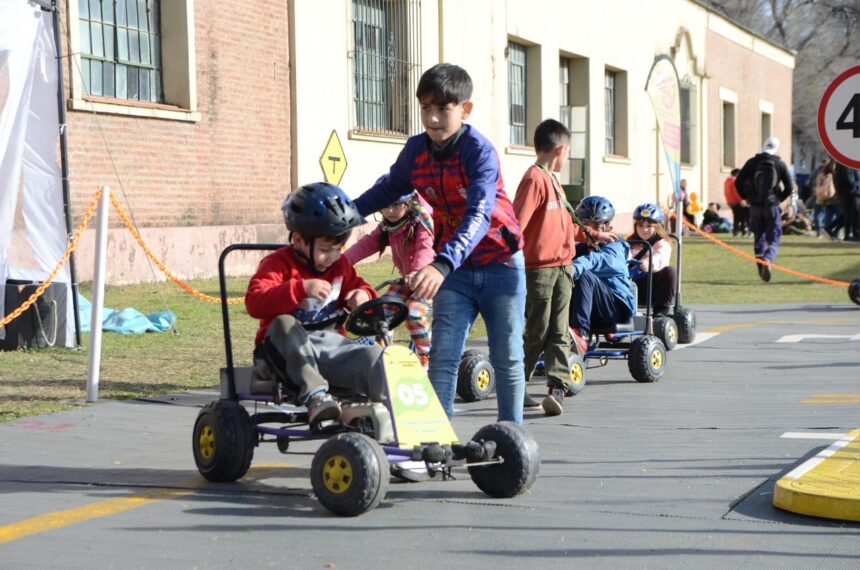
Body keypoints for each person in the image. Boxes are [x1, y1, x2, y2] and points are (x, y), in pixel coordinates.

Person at [353, 63, 527, 424]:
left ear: (465, 110)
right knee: (443, 355)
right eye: (425, 108)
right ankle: (436, 438)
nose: (432, 119)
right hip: (456, 271)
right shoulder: (415, 151)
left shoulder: (479, 152)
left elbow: (479, 215)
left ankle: (512, 436)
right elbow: (388, 189)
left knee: (507, 356)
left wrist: (441, 264)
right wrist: (344, 214)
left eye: (443, 109)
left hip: (501, 264)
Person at [245, 182, 383, 425]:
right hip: (281, 356)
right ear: (299, 240)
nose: (332, 257)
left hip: (328, 349)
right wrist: (300, 288)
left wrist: (362, 295)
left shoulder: (340, 266)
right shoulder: (277, 264)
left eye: (338, 249)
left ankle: (390, 412)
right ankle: (316, 397)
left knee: (375, 356)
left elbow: (363, 288)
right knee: (285, 324)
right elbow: (254, 302)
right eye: (325, 250)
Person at [512, 119, 616, 409]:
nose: (567, 158)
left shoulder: (554, 180)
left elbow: (567, 225)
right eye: (568, 152)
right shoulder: (535, 180)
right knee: (537, 332)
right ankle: (515, 385)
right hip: (540, 271)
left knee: (560, 331)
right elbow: (515, 226)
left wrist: (595, 235)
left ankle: (557, 388)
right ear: (560, 149)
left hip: (563, 268)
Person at [551, 196, 636, 416]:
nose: (591, 232)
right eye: (586, 226)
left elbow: (593, 262)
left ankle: (579, 334)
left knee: (585, 275)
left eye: (596, 227)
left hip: (615, 308)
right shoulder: (578, 247)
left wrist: (572, 269)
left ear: (609, 228)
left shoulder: (616, 247)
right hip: (588, 307)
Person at [344, 189, 435, 367]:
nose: (390, 210)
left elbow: (425, 248)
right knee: (381, 312)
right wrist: (342, 262)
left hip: (429, 280)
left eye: (396, 205)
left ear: (409, 202)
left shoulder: (421, 221)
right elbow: (366, 245)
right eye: (385, 206)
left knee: (414, 312)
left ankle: (427, 357)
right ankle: (384, 354)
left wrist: (417, 272)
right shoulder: (387, 227)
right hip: (407, 280)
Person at [734, 136, 794, 282]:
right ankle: (768, 258)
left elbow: (738, 182)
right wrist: (778, 200)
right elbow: (790, 187)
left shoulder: (752, 162)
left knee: (758, 237)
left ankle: (761, 267)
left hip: (755, 206)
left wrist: (746, 197)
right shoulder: (779, 164)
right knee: (774, 238)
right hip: (772, 207)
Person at [626, 203, 676, 315]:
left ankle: (661, 312)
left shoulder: (662, 244)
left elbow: (660, 258)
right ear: (635, 226)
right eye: (640, 226)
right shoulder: (629, 243)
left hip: (651, 286)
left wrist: (648, 263)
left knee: (670, 271)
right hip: (629, 284)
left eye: (649, 226)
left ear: (656, 226)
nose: (644, 230)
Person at [830, 163, 860, 242]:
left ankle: (832, 229)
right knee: (850, 214)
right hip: (850, 192)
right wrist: (853, 187)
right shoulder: (847, 164)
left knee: (851, 213)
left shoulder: (841, 165)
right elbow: (848, 176)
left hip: (848, 191)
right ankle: (848, 234)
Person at [813, 159, 840, 240]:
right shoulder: (831, 174)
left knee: (823, 214)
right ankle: (829, 230)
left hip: (821, 195)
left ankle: (821, 231)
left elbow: (815, 183)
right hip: (831, 196)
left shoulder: (821, 174)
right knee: (835, 214)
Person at [724, 168, 749, 236]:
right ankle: (738, 231)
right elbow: (736, 192)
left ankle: (741, 231)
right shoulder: (734, 181)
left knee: (739, 217)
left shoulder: (727, 181)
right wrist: (742, 200)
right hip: (736, 201)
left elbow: (726, 192)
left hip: (731, 201)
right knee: (739, 217)